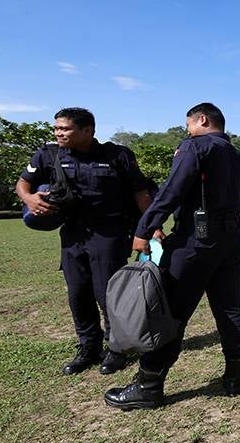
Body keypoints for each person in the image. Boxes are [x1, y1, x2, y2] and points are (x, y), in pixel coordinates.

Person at [104, 102, 240, 410]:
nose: (187, 130)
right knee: (229, 308)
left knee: (170, 310)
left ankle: (149, 385)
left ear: (202, 120)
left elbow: (171, 191)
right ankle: (235, 375)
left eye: (189, 124)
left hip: (195, 241)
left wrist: (144, 229)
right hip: (231, 238)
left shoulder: (195, 147)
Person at [16, 107, 153, 376]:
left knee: (107, 293)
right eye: (56, 128)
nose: (58, 133)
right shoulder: (49, 154)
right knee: (78, 293)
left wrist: (150, 228)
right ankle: (88, 347)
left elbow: (141, 193)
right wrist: (30, 199)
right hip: (73, 233)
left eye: (65, 129)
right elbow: (23, 183)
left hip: (109, 232)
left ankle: (116, 349)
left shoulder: (117, 155)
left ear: (88, 131)